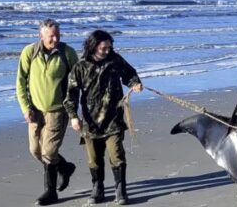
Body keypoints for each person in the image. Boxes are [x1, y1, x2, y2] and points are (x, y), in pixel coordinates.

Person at [65, 30, 143, 205]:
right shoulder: (80, 66)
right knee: (94, 158)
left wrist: (135, 83)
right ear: (93, 47)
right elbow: (71, 94)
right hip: (90, 122)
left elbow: (129, 73)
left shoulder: (115, 60)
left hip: (114, 118)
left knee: (116, 154)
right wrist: (73, 117)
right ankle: (98, 188)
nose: (108, 51)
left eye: (110, 47)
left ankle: (120, 190)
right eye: (104, 48)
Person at [16, 18, 79, 206]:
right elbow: (20, 82)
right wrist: (26, 108)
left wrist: (74, 111)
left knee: (49, 151)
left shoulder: (67, 53)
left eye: (57, 35)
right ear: (41, 36)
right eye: (51, 36)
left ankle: (50, 192)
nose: (55, 39)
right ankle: (65, 168)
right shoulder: (29, 52)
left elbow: (77, 83)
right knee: (35, 151)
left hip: (58, 111)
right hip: (35, 111)